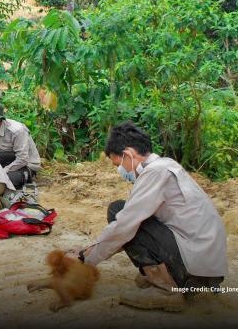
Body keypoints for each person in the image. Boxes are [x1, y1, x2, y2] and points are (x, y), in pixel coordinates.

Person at [74, 121, 227, 312]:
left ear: (128, 154)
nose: (120, 171)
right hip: (205, 264)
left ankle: (168, 288)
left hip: (194, 267)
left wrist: (87, 261)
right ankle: (169, 276)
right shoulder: (166, 165)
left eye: (118, 164)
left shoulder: (154, 173)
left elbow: (124, 226)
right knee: (126, 214)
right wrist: (89, 251)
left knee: (119, 212)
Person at [0, 101, 41, 189]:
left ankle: (24, 176)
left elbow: (23, 159)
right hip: (9, 157)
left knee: (5, 181)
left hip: (26, 163)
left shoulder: (17, 131)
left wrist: (4, 171)